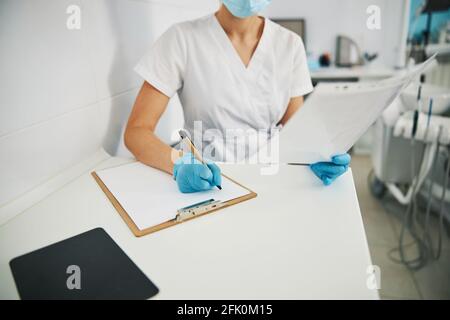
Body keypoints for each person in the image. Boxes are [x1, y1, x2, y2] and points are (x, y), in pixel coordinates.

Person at [125, 0, 350, 193]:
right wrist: (178, 163)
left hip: (273, 178)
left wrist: (320, 154)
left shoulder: (289, 44)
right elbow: (137, 132)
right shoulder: (181, 39)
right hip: (205, 180)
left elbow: (297, 130)